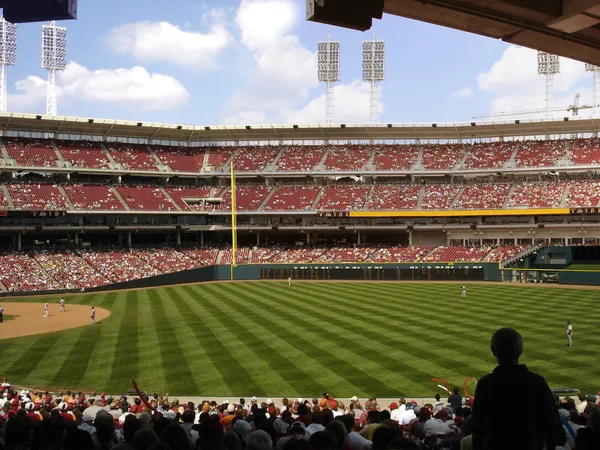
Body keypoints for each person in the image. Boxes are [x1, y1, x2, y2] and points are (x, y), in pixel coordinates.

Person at [471, 327, 561, 450]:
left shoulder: (485, 384)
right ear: (520, 350)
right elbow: (554, 427)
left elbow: (477, 431)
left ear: (493, 351)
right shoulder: (537, 382)